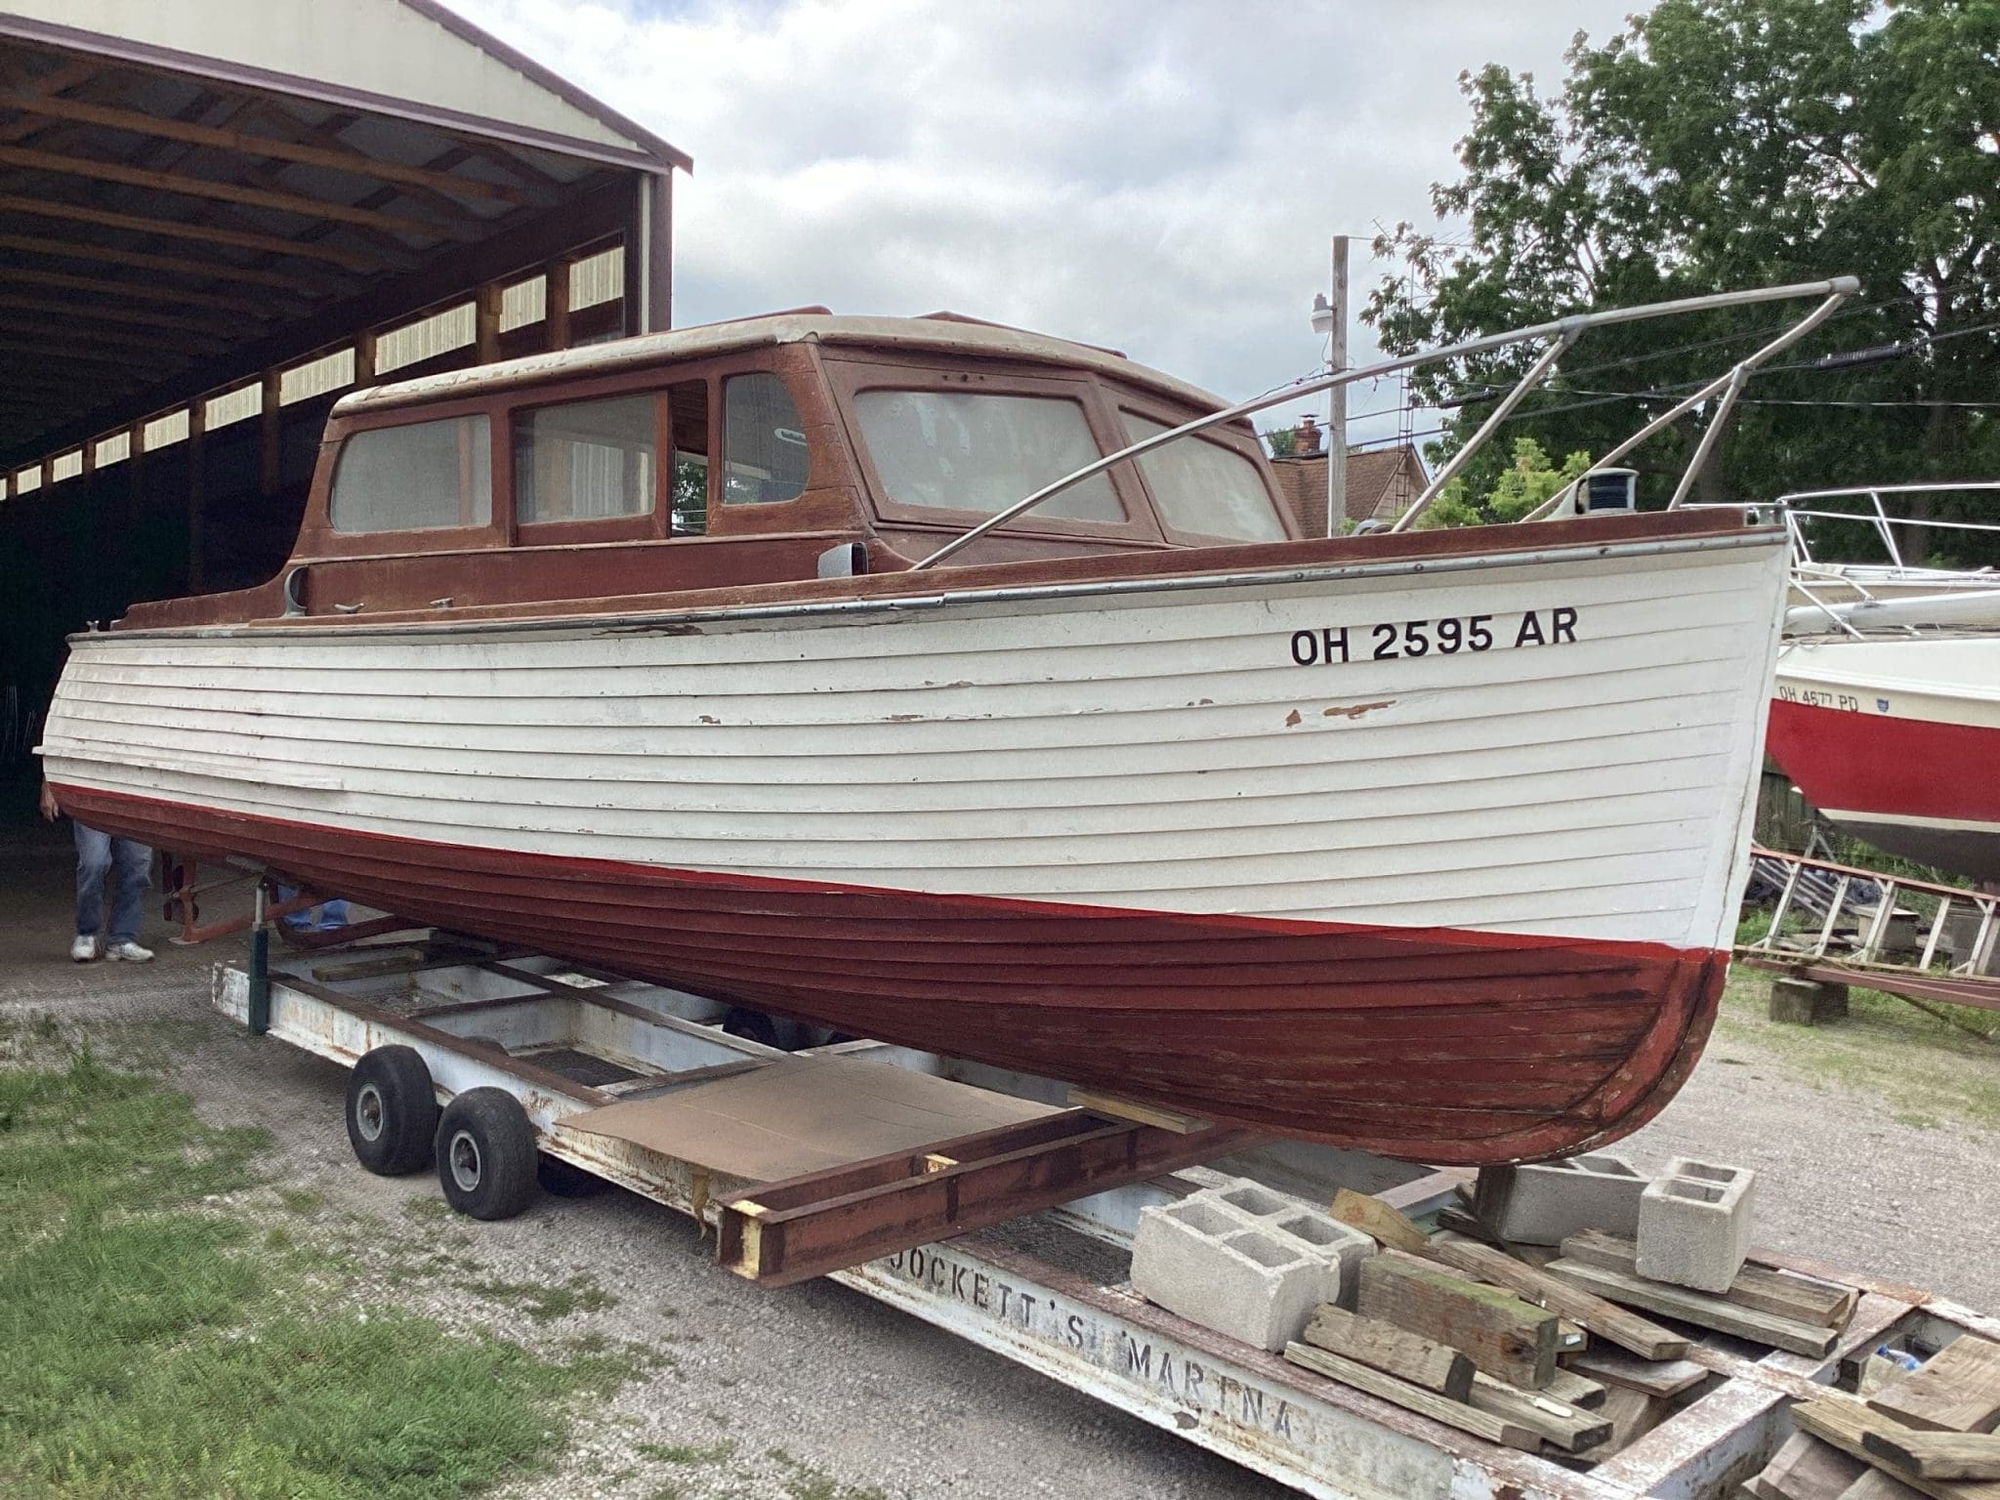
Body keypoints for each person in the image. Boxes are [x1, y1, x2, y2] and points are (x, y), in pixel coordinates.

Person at [40, 782, 154, 963]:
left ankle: (121, 939)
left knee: (137, 866)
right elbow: (60, 751)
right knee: (94, 863)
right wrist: (49, 786)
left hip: (137, 793)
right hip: (90, 794)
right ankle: (87, 934)